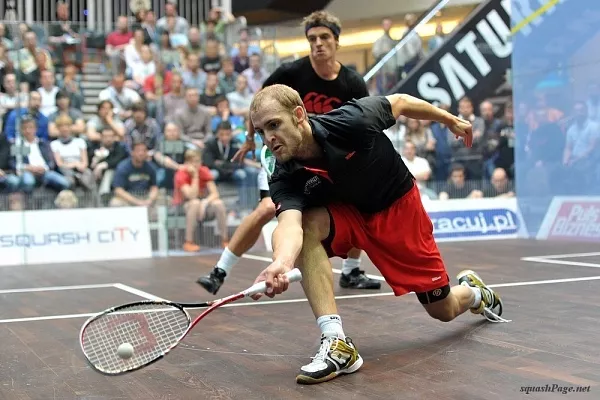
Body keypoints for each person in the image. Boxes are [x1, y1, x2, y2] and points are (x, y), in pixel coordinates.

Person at [248, 84, 509, 385]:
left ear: (298, 115)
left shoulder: (351, 121)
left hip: (399, 211)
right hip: (351, 214)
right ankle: (336, 341)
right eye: (260, 131)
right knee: (308, 228)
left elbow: (400, 102)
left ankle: (476, 293)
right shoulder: (283, 173)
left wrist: (448, 119)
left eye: (273, 125)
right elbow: (290, 224)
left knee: (444, 309)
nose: (268, 138)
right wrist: (281, 262)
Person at [197, 10, 380, 294]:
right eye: (312, 38)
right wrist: (248, 138)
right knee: (268, 208)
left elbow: (364, 123)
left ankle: (351, 271)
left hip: (325, 158)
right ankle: (219, 271)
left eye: (324, 37)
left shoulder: (352, 82)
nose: (318, 43)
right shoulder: (292, 72)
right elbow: (259, 103)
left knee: (358, 198)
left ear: (336, 41)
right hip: (283, 154)